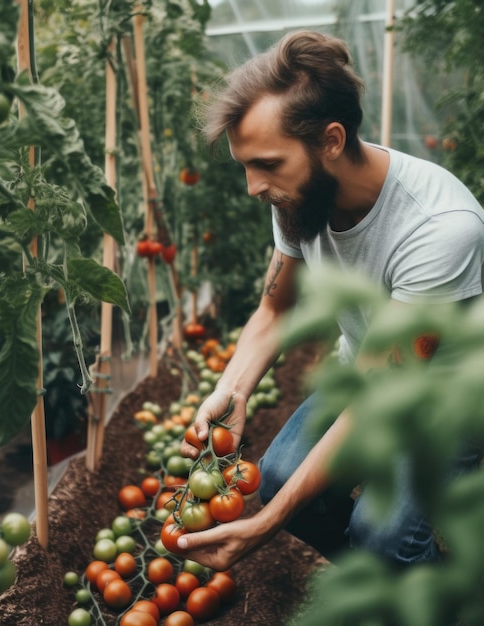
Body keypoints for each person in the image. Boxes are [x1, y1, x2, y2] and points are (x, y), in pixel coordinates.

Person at [178, 30, 484, 571]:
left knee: (380, 534)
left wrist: (263, 529)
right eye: (246, 165)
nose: (253, 186)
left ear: (333, 140)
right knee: (278, 482)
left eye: (267, 164)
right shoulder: (300, 194)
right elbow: (275, 308)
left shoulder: (440, 229)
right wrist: (233, 390)